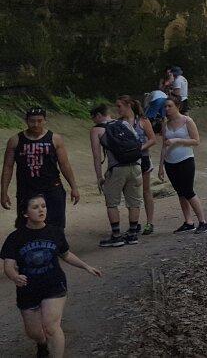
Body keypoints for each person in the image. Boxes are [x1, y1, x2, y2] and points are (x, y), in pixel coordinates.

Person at [2, 194, 102, 358]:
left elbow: (66, 254)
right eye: (35, 207)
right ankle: (42, 344)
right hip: (28, 289)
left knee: (51, 327)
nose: (41, 210)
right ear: (25, 213)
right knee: (34, 332)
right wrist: (14, 276)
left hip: (54, 285)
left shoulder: (55, 232)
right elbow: (8, 265)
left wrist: (86, 266)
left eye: (43, 206)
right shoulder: (15, 238)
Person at [1, 108, 80, 230]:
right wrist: (4, 191)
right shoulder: (15, 140)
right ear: (26, 121)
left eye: (39, 121)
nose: (36, 124)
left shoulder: (55, 139)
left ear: (45, 121)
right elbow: (8, 167)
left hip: (52, 188)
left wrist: (74, 187)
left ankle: (58, 248)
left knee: (55, 224)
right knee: (25, 225)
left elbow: (65, 165)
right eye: (32, 121)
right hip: (27, 189)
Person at [89, 104, 143, 248]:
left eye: (93, 118)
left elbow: (96, 156)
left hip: (116, 169)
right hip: (135, 166)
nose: (93, 121)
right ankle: (132, 234)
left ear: (99, 115)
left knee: (112, 203)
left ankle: (117, 236)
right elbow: (138, 143)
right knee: (134, 202)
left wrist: (100, 177)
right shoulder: (124, 123)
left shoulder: (97, 130)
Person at [158, 98, 207, 234]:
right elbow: (164, 145)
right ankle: (188, 221)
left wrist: (178, 140)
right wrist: (161, 166)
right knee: (180, 192)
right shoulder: (165, 124)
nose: (166, 109)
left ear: (177, 106)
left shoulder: (187, 121)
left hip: (185, 159)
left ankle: (203, 221)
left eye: (169, 106)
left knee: (188, 191)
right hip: (170, 162)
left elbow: (196, 141)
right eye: (165, 107)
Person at [123, 97, 158, 235]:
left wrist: (139, 148)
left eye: (120, 106)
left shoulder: (143, 121)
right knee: (130, 192)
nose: (118, 109)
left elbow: (153, 139)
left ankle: (149, 223)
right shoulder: (120, 122)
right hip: (128, 160)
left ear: (129, 106)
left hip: (142, 158)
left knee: (146, 190)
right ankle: (135, 222)